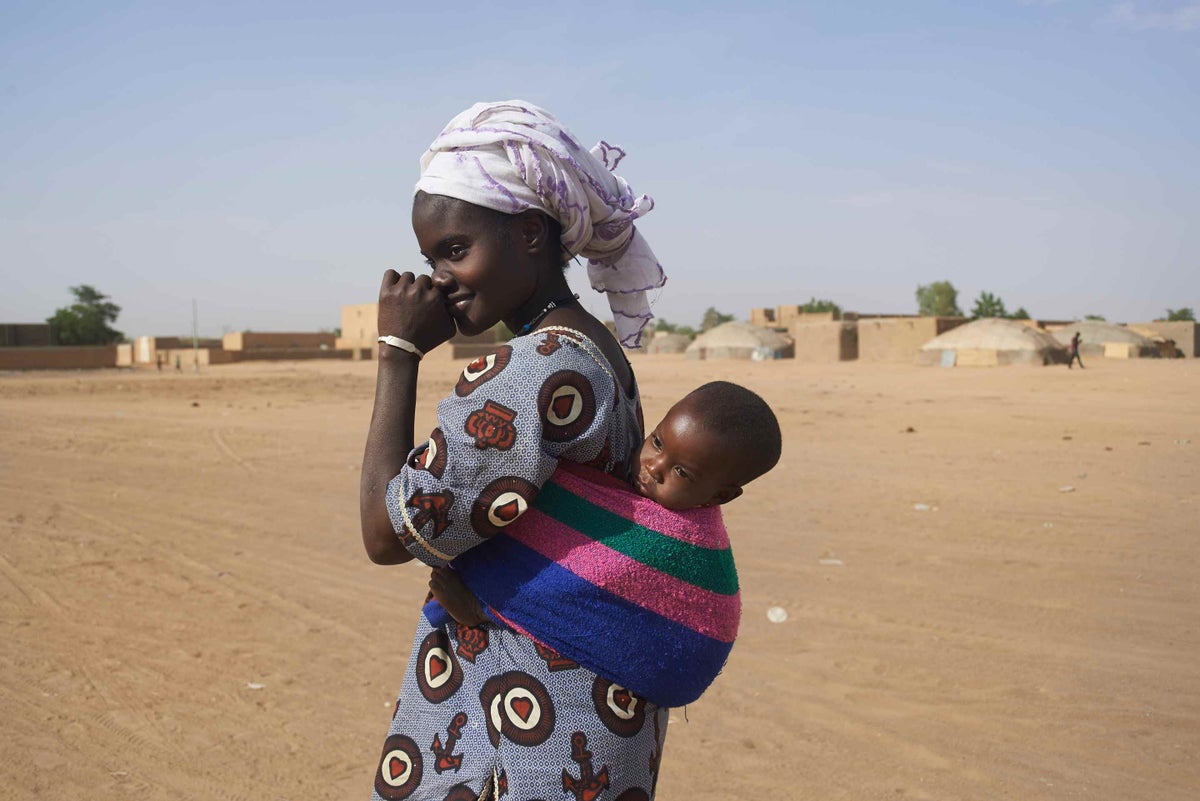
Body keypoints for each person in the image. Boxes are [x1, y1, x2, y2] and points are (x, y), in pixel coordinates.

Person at [359, 101, 667, 801]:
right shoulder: (592, 348)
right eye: (429, 257)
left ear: (530, 232)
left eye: (455, 248)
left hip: (531, 727)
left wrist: (399, 353)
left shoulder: (531, 369)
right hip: (589, 711)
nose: (438, 277)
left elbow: (385, 532)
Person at [427, 380, 782, 709]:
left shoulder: (696, 548)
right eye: (657, 442)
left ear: (721, 495)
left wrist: (482, 608)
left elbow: (689, 654)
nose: (653, 466)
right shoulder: (611, 488)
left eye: (682, 473)